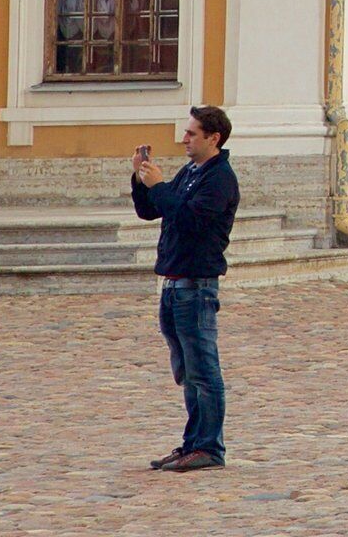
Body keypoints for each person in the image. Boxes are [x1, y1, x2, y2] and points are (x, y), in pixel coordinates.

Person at [131, 104, 239, 473]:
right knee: (187, 371)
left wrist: (159, 185)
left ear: (214, 138)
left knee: (203, 370)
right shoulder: (191, 171)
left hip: (196, 287)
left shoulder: (219, 178)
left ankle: (209, 447)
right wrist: (141, 180)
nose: (184, 138)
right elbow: (152, 211)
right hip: (174, 284)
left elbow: (189, 218)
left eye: (192, 133)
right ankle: (193, 442)